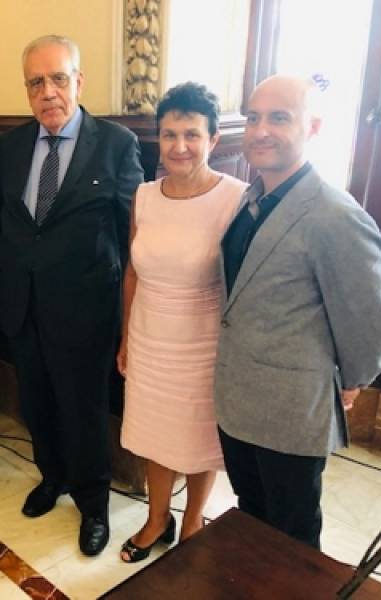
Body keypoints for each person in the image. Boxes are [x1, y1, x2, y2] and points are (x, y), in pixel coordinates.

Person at [215, 74, 381, 549]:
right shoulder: (251, 199)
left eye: (279, 118)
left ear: (313, 127)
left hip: (290, 412)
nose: (260, 130)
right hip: (238, 400)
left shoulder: (335, 215)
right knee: (251, 517)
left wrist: (350, 380)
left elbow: (368, 319)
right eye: (253, 118)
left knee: (292, 537)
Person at [0, 35, 144, 556]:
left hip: (85, 309)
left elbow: (133, 233)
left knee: (84, 411)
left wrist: (129, 317)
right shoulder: (12, 146)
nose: (48, 92)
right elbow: (11, 225)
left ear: (79, 82)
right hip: (22, 303)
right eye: (36, 82)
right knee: (37, 403)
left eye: (59, 79)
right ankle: (51, 476)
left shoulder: (116, 144)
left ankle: (93, 503)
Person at [116, 82, 247, 562]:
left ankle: (192, 522)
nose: (180, 146)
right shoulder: (144, 196)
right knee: (156, 435)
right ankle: (157, 520)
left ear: (213, 139)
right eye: (170, 135)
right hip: (149, 338)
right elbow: (133, 271)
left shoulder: (235, 198)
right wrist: (126, 338)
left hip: (203, 345)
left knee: (197, 438)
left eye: (192, 134)